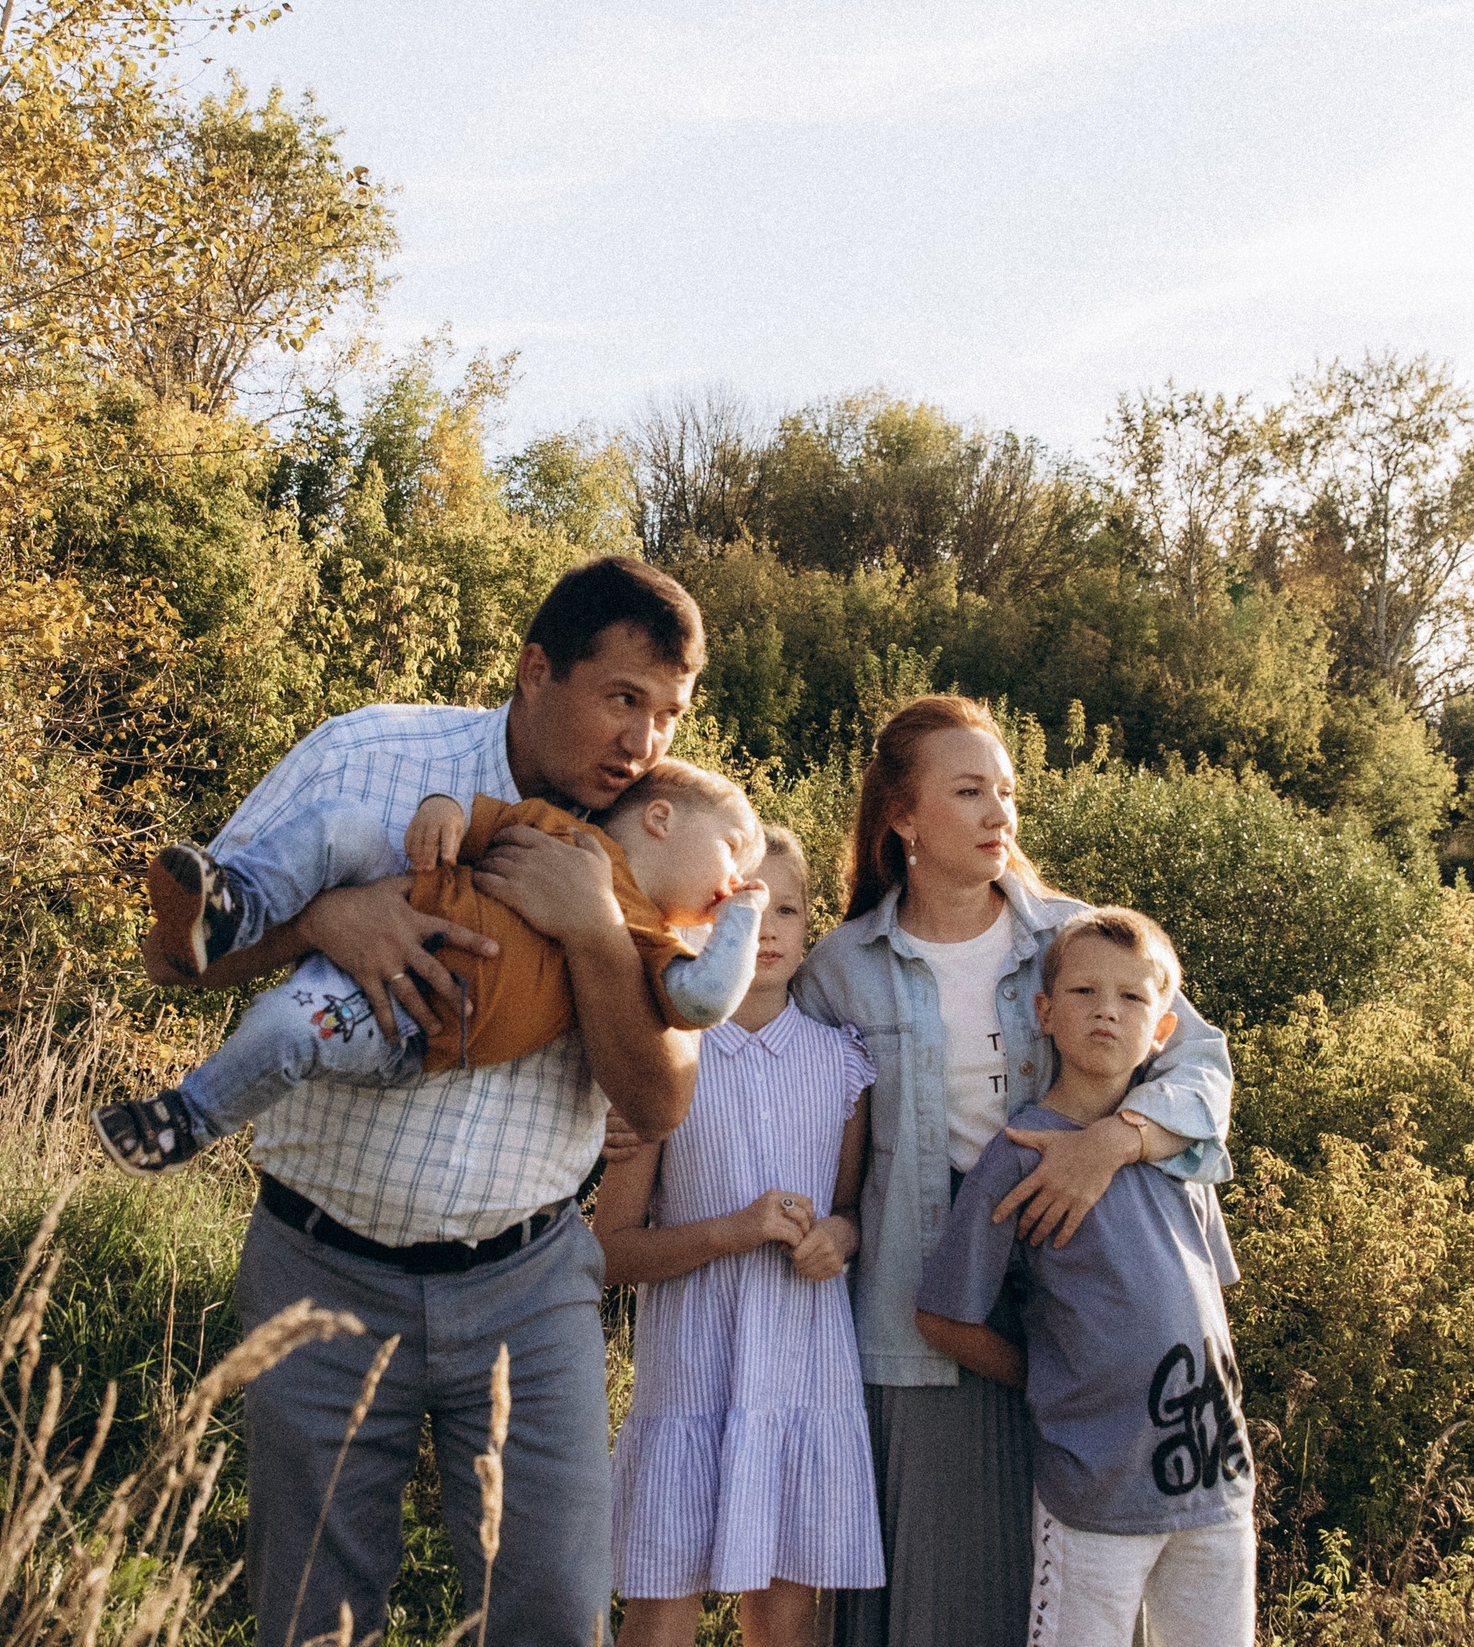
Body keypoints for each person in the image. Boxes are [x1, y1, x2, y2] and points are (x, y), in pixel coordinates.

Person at [169, 555, 709, 1647]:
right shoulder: (369, 753)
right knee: (315, 1618)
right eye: (622, 698)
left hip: (529, 1287)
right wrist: (324, 918)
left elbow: (658, 1103)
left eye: (668, 714)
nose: (643, 741)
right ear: (535, 671)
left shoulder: (663, 830)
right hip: (320, 1267)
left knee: (554, 1614)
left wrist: (597, 933)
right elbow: (177, 952)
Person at [792, 695, 1234, 1647]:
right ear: (903, 817)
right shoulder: (841, 968)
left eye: (1007, 790)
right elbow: (779, 1089)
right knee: (945, 1596)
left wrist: (1111, 1144)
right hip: (926, 1307)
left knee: (1088, 1595)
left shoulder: (1072, 938)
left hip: (1086, 1312)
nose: (1000, 813)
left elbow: (1203, 1065)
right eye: (969, 791)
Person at [91, 759, 769, 1173]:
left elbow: (706, 998)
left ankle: (185, 1118)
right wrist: (440, 808)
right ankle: (235, 906)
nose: (736, 880)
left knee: (286, 1026)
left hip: (416, 1018)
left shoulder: (650, 938)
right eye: (734, 851)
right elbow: (475, 821)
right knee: (340, 823)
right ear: (659, 818)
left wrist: (746, 913)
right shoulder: (560, 827)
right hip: (401, 892)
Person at [917, 909, 1252, 1647]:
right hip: (1096, 1492)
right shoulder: (1021, 1154)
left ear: (1163, 1030)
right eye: (1084, 992)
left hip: (1215, 1481)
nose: (1108, 1010)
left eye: (1133, 997)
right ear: (1045, 1012)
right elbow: (942, 1318)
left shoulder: (1178, 1152)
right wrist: (1045, 1375)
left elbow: (1205, 1300)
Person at [597, 829, 886, 1647]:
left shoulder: (842, 1063)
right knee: (661, 1612)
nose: (764, 929)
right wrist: (733, 1230)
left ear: (811, 923)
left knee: (786, 1619)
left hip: (803, 1374)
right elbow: (607, 1250)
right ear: (699, 924)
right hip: (691, 1377)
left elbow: (849, 1209)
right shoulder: (666, 1060)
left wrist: (839, 1236)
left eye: (785, 909)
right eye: (742, 910)